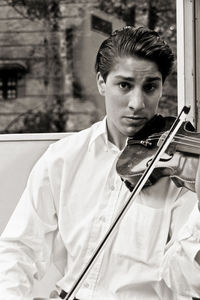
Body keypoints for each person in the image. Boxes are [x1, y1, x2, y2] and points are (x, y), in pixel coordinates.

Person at [0, 26, 200, 300]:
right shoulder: (63, 158)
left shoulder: (183, 172)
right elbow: (18, 249)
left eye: (150, 87)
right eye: (124, 85)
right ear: (101, 82)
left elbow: (187, 282)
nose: (137, 103)